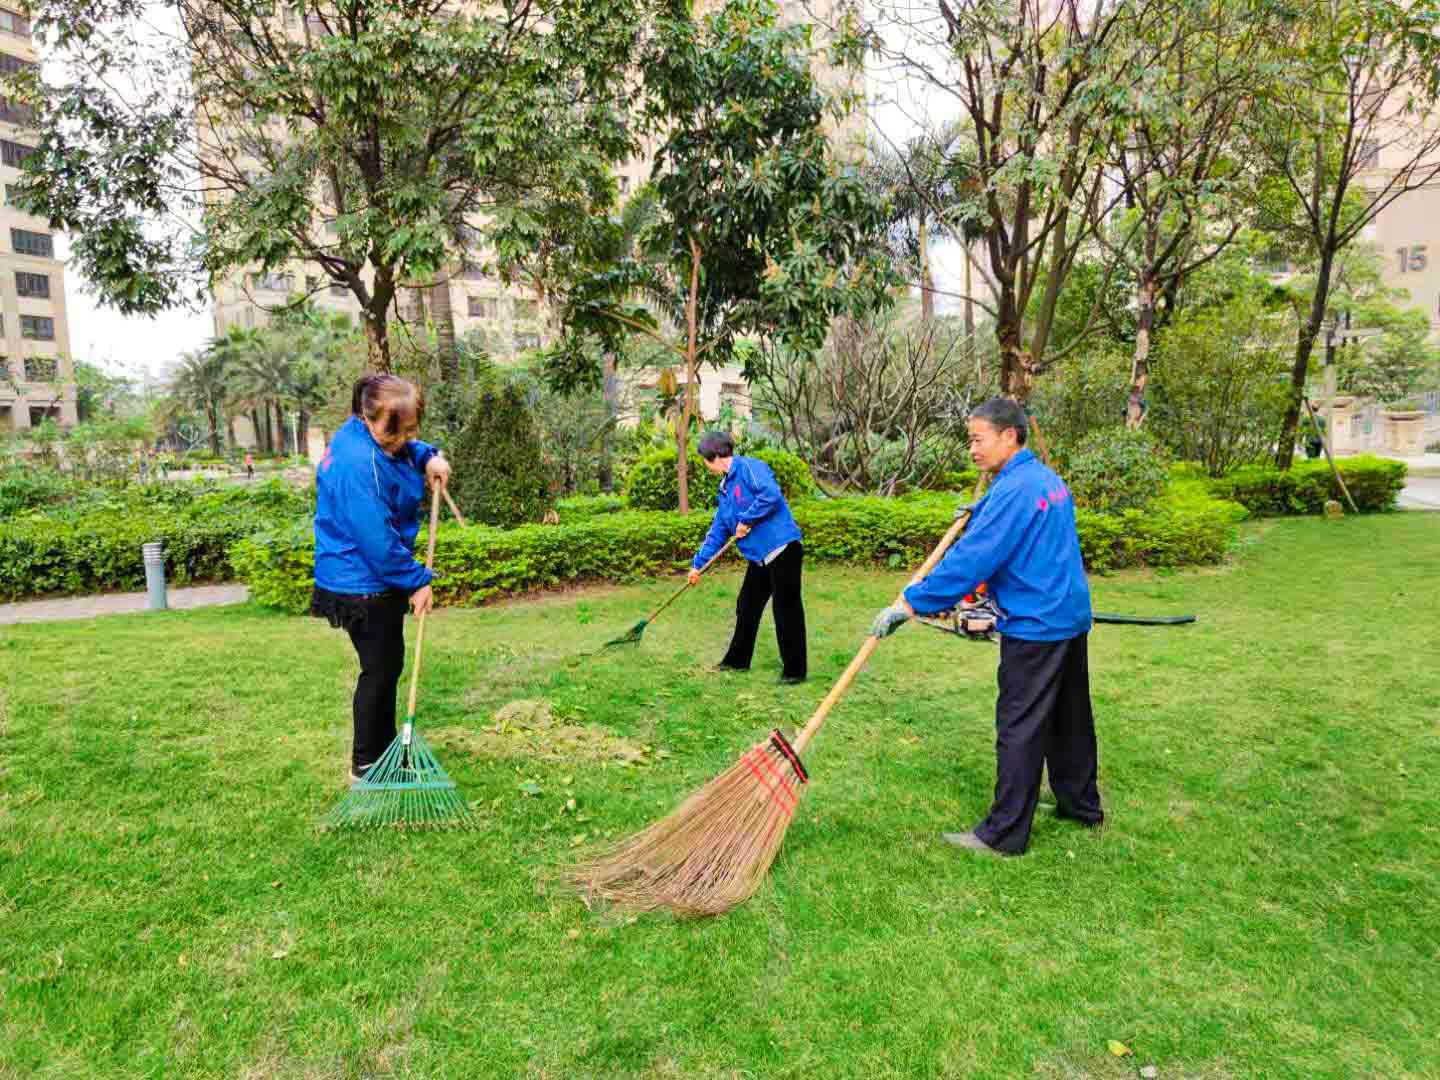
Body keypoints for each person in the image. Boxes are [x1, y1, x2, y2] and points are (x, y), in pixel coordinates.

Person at [870, 397, 1102, 856]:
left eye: (978, 439)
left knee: (1020, 724)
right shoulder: (1042, 480)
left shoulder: (1014, 491)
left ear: (1009, 436)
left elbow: (973, 560)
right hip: (1069, 614)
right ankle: (1081, 804)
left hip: (1037, 624)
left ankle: (1004, 834)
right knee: (1069, 716)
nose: (972, 449)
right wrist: (982, 511)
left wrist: (912, 604)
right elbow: (1025, 531)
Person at [310, 374, 451, 781]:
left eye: (411, 431)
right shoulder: (360, 464)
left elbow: (404, 451)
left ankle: (380, 753)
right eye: (397, 431)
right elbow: (377, 541)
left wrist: (428, 457)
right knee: (381, 668)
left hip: (361, 577)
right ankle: (368, 764)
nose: (403, 439)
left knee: (385, 665)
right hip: (363, 584)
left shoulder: (362, 434)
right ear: (369, 417)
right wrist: (417, 579)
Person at [688, 431, 807, 684]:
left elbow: (771, 495)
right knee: (747, 605)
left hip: (782, 548)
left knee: (786, 609)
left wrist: (748, 519)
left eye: (704, 460)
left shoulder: (750, 468)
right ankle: (737, 661)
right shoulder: (725, 490)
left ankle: (795, 672)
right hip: (760, 557)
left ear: (716, 457)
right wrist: (697, 565)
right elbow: (718, 531)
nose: (705, 466)